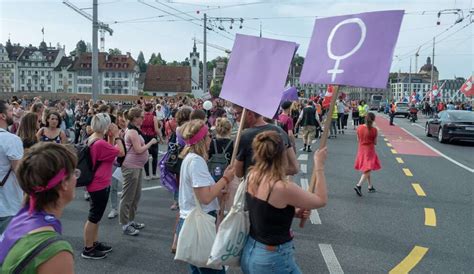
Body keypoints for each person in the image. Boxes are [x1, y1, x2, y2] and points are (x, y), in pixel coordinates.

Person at [240, 131, 328, 274]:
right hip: (273, 258)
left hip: (251, 251)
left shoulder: (252, 175)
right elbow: (321, 200)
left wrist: (293, 213)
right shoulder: (281, 187)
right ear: (282, 154)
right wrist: (319, 165)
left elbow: (264, 210)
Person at [0, 143, 78, 273]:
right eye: (74, 173)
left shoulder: (21, 219)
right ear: (64, 183)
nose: (76, 178)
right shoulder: (55, 251)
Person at [176, 119, 234, 274]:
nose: (211, 139)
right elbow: (206, 197)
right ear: (201, 140)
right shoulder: (196, 162)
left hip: (191, 220)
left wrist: (217, 190)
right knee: (212, 269)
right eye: (208, 136)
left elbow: (201, 191)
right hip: (198, 223)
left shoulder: (190, 159)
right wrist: (225, 179)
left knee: (198, 269)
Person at [82, 113, 125, 259]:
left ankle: (93, 243)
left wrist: (111, 137)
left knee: (97, 216)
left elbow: (109, 151)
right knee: (93, 217)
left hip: (96, 181)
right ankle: (88, 249)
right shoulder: (100, 143)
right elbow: (120, 152)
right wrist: (118, 135)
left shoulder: (93, 139)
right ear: (105, 126)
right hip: (99, 183)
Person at [233, 105, 298, 178]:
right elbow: (294, 167)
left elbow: (238, 173)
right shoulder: (280, 131)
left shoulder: (243, 137)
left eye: (237, 113)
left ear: (249, 114)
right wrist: (274, 172)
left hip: (253, 187)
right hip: (277, 186)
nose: (235, 117)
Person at [120, 108, 157, 236]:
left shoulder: (134, 130)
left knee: (135, 196)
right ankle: (125, 224)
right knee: (128, 197)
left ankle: (130, 221)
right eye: (141, 117)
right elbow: (139, 149)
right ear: (135, 118)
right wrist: (151, 142)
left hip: (137, 166)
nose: (143, 119)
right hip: (131, 167)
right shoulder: (132, 132)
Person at [0, 100, 24, 234]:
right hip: (8, 204)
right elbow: (20, 172)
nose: (13, 114)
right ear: (2, 116)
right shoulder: (11, 140)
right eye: (10, 111)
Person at [354, 112, 381, 196]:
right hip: (369, 150)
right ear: (373, 120)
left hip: (361, 149)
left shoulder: (359, 128)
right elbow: (375, 142)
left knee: (367, 168)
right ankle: (359, 185)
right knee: (368, 168)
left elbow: (358, 140)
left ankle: (370, 186)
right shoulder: (374, 130)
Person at [142, 103, 162, 180]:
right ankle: (154, 174)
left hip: (144, 137)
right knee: (154, 156)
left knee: (145, 155)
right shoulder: (154, 117)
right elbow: (157, 130)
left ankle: (147, 175)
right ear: (151, 109)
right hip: (152, 137)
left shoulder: (142, 117)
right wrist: (161, 138)